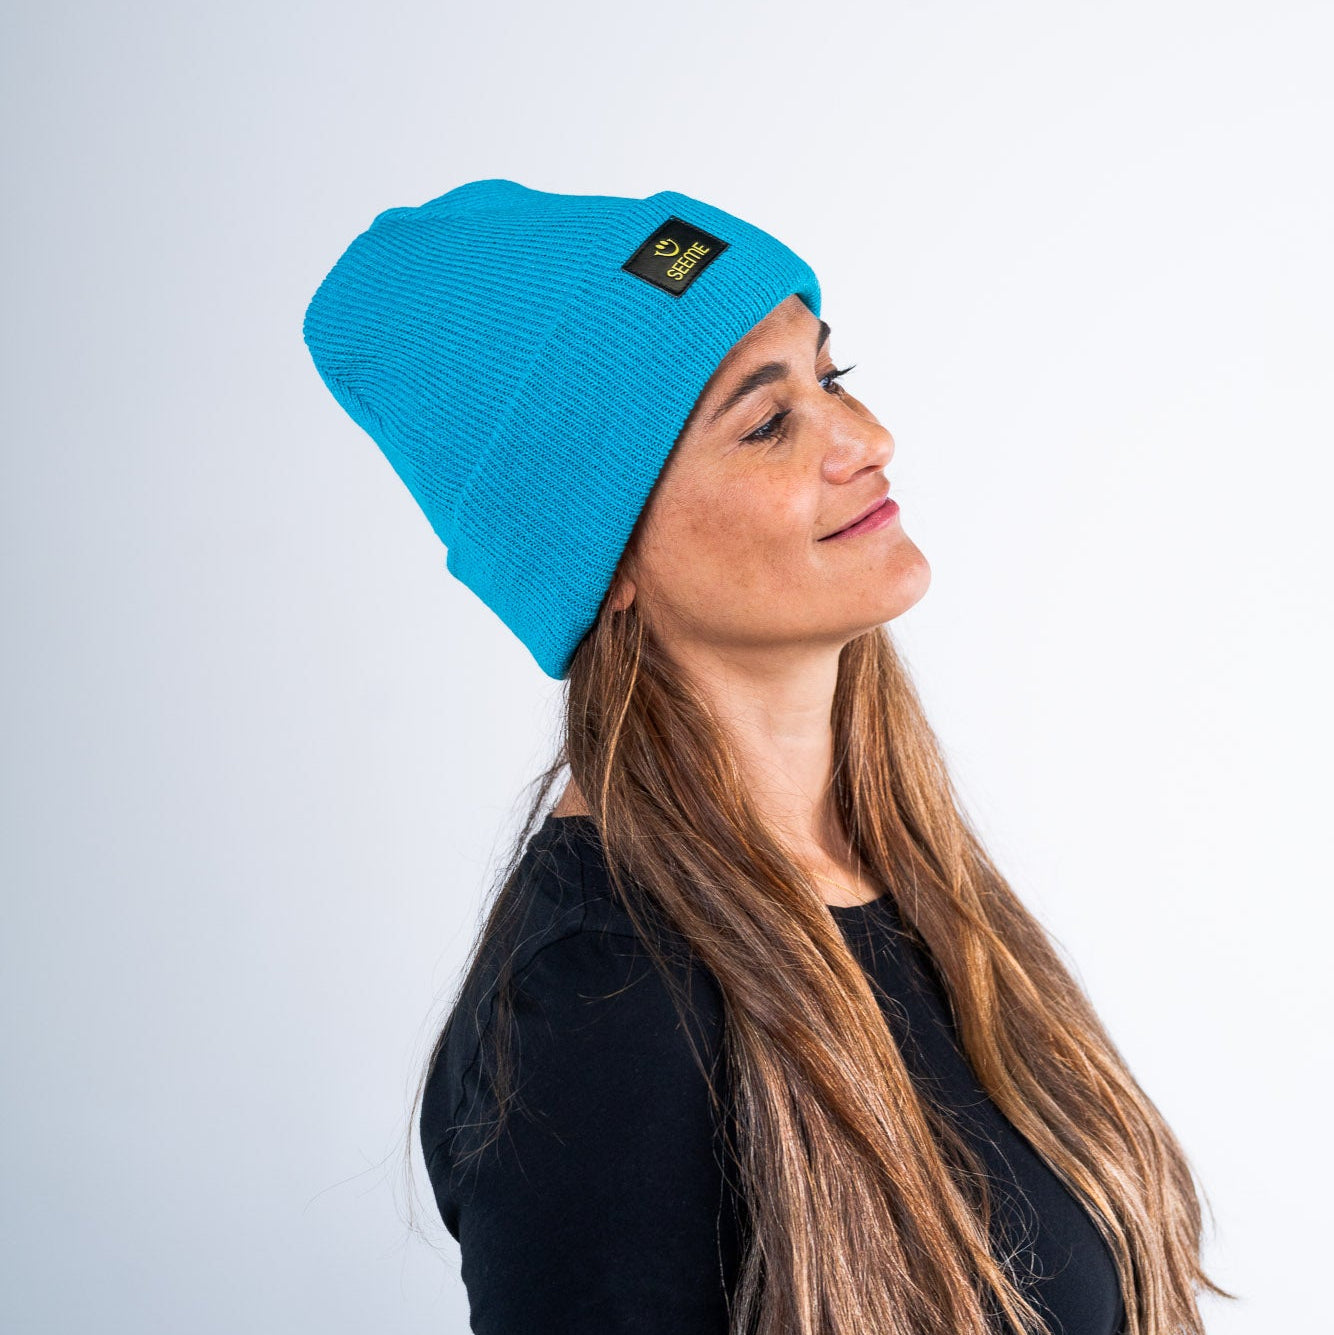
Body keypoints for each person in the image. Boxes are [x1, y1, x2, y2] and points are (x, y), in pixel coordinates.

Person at [302, 179, 1232, 1335]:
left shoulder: (907, 877)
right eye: (765, 424)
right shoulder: (595, 1008)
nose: (868, 440)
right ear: (603, 562)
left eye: (830, 378)